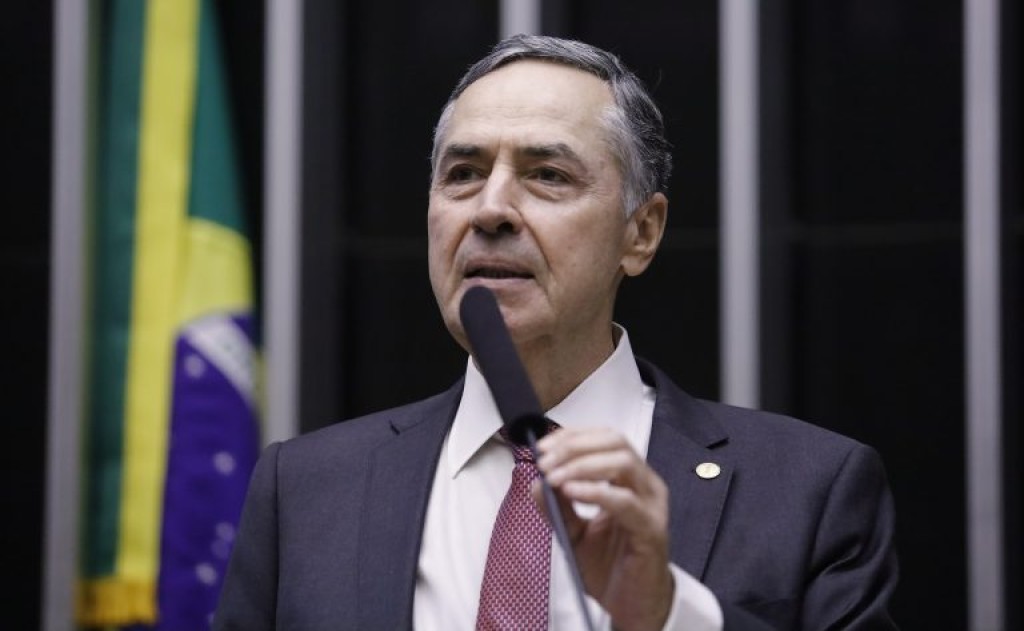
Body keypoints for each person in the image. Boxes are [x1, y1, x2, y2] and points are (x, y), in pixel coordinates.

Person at [214, 35, 898, 630]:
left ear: (641, 232)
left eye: (547, 175)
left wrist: (666, 614)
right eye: (463, 174)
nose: (490, 209)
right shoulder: (303, 490)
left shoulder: (809, 489)